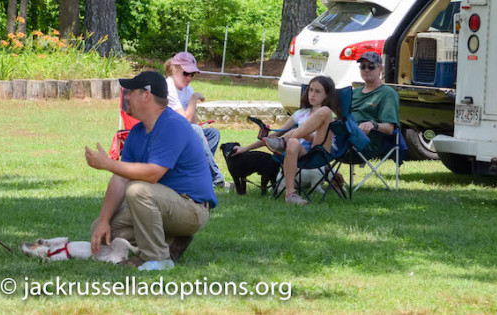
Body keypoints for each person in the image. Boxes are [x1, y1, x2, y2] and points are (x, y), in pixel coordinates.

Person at [85, 71, 217, 271]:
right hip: (162, 205)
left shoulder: (172, 124)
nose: (125, 97)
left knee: (138, 190)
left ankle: (158, 258)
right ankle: (170, 240)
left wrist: (107, 163)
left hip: (192, 209)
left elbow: (153, 174)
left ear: (147, 95)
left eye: (130, 92)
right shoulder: (137, 132)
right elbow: (120, 179)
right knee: (104, 231)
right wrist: (103, 220)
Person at [232, 76, 342, 205]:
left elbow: (320, 140)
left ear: (327, 95)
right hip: (301, 152)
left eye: (317, 91)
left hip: (320, 149)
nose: (312, 94)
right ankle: (290, 194)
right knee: (292, 142)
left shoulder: (330, 115)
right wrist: (245, 148)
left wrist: (298, 133)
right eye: (310, 90)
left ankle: (289, 138)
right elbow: (274, 137)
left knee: (322, 113)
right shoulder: (299, 114)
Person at [164, 52, 229, 188]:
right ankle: (216, 179)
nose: (189, 78)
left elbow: (191, 121)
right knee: (197, 130)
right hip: (167, 134)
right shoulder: (168, 88)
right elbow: (185, 121)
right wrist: (194, 98)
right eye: (185, 73)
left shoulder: (187, 89)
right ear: (174, 69)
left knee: (212, 133)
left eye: (192, 74)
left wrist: (201, 134)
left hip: (181, 132)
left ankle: (200, 174)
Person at [351, 51, 400, 157]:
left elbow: (389, 128)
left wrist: (373, 124)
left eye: (371, 66)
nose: (366, 70)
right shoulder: (354, 93)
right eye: (363, 66)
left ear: (380, 69)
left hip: (365, 144)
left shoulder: (387, 93)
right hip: (344, 138)